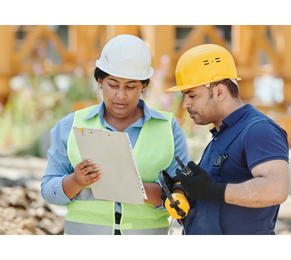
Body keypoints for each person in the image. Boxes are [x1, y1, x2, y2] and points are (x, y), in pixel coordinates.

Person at [41, 34, 190, 238]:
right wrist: (76, 181)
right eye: (113, 84)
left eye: (130, 86)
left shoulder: (168, 129)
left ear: (144, 86)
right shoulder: (70, 126)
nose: (121, 95)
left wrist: (136, 189)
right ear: (100, 81)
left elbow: (183, 194)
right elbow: (49, 190)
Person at [166, 44, 289, 238]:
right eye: (184, 96)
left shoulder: (258, 130)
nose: (186, 104)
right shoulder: (221, 135)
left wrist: (212, 190)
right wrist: (184, 190)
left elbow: (276, 189)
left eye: (192, 95)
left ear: (220, 92)